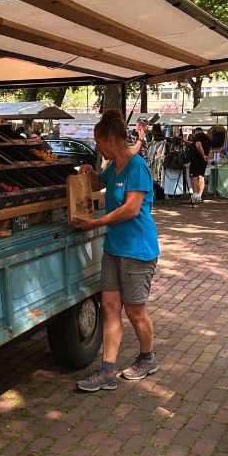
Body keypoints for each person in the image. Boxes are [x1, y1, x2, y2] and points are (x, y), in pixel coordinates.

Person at [71, 109, 160, 392]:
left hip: (138, 250)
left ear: (110, 140)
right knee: (110, 308)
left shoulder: (138, 167)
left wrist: (97, 222)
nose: (96, 147)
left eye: (98, 142)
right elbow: (101, 183)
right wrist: (90, 172)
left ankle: (148, 358)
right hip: (114, 248)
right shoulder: (115, 167)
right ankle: (107, 371)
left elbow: (132, 208)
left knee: (135, 311)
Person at [188, 127, 211, 202]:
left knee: (193, 176)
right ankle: (199, 195)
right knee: (201, 176)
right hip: (203, 160)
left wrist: (203, 154)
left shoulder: (197, 136)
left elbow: (198, 145)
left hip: (196, 159)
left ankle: (194, 195)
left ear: (195, 132)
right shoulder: (207, 138)